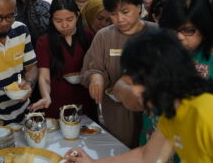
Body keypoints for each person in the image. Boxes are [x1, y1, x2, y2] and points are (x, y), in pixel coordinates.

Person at [65, 29, 213, 163]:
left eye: (134, 81)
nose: (132, 91)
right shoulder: (172, 114)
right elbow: (145, 156)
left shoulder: (206, 113)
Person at [81, 0, 158, 148]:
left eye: (125, 11)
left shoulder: (156, 33)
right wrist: (95, 77)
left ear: (138, 7)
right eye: (113, 14)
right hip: (115, 114)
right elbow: (92, 67)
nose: (119, 19)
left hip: (151, 113)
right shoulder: (104, 36)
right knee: (119, 150)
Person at [28, 0, 97, 121]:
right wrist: (45, 96)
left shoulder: (88, 36)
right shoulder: (44, 41)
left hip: (85, 103)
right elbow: (44, 76)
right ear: (51, 19)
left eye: (70, 19)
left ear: (77, 15)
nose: (64, 25)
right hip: (56, 105)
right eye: (58, 21)